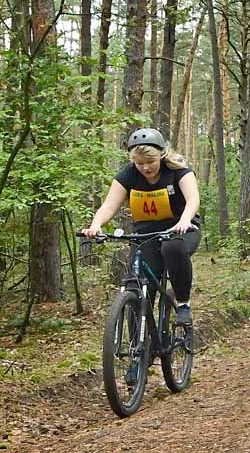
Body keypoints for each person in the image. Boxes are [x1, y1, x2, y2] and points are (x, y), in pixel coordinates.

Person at [82, 128, 201, 325]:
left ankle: (182, 304)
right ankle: (139, 346)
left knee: (173, 249)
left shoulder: (177, 170)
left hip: (180, 228)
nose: (146, 168)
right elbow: (109, 205)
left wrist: (185, 220)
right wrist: (95, 225)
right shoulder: (128, 176)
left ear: (161, 156)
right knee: (138, 284)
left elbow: (193, 198)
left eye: (151, 162)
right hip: (146, 232)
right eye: (140, 163)